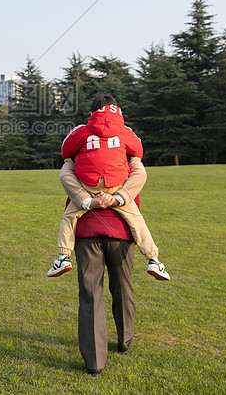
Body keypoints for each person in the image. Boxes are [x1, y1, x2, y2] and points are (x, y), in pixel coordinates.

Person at [47, 94, 169, 281]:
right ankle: (153, 259)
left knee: (69, 215)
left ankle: (63, 257)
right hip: (117, 184)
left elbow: (66, 151)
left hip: (88, 185)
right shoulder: (125, 130)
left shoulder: (82, 130)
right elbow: (138, 151)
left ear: (91, 113)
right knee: (136, 218)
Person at [73, 190, 140, 376]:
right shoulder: (130, 163)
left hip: (87, 229)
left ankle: (94, 361)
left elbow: (72, 191)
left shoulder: (76, 162)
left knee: (90, 293)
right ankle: (125, 339)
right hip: (121, 228)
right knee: (122, 286)